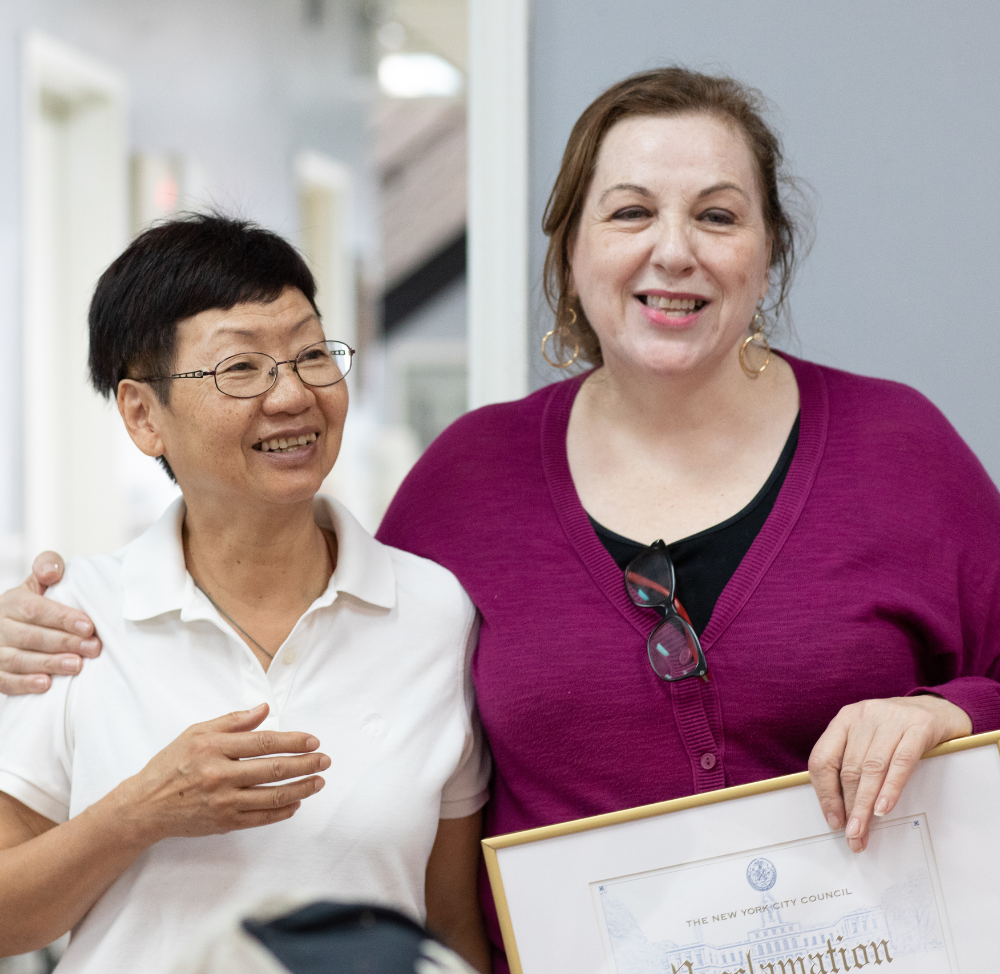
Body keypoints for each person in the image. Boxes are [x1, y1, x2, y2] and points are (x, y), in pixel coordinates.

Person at [3, 69, 1000, 971]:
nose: (674, 249)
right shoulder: (467, 487)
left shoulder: (898, 448)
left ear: (768, 246)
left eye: (718, 214)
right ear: (570, 248)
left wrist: (946, 711)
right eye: (629, 212)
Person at [0, 217, 490, 973]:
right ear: (142, 414)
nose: (292, 394)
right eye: (241, 369)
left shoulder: (432, 611)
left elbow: (452, 923)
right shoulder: (73, 620)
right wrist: (142, 810)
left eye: (311, 354)